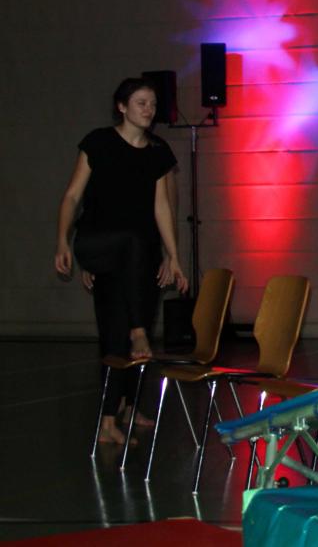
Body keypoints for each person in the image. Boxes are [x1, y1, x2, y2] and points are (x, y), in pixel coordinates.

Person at [54, 78, 187, 445]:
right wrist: (62, 241)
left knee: (120, 335)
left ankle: (121, 410)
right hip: (100, 244)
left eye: (153, 104)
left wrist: (173, 255)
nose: (149, 110)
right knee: (124, 330)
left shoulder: (157, 152)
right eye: (141, 102)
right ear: (122, 107)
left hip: (138, 257)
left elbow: (162, 207)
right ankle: (137, 332)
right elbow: (72, 196)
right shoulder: (98, 143)